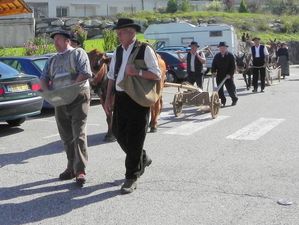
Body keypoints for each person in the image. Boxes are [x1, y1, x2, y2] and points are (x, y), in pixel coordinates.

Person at [104, 18, 161, 194]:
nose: (118, 35)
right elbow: (112, 77)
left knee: (135, 138)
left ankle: (131, 177)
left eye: (120, 32)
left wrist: (137, 72)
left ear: (131, 32)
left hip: (138, 98)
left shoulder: (145, 49)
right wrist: (108, 98)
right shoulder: (118, 51)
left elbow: (157, 74)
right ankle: (142, 157)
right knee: (119, 133)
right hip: (121, 97)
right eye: (118, 32)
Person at [40, 30, 92, 186]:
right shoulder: (52, 60)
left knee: (79, 133)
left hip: (78, 96)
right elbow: (44, 78)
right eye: (54, 39)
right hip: (60, 100)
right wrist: (46, 91)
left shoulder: (78, 53)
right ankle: (71, 167)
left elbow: (85, 73)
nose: (55, 42)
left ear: (67, 41)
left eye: (58, 39)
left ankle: (80, 170)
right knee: (66, 136)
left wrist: (70, 88)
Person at [211, 41, 238, 107]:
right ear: (219, 48)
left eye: (223, 48)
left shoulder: (230, 55)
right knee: (219, 90)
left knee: (230, 88)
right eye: (221, 48)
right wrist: (213, 71)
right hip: (220, 75)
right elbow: (213, 65)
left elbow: (233, 66)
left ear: (226, 48)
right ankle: (222, 101)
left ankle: (234, 99)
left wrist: (230, 74)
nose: (222, 49)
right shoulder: (217, 56)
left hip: (228, 75)